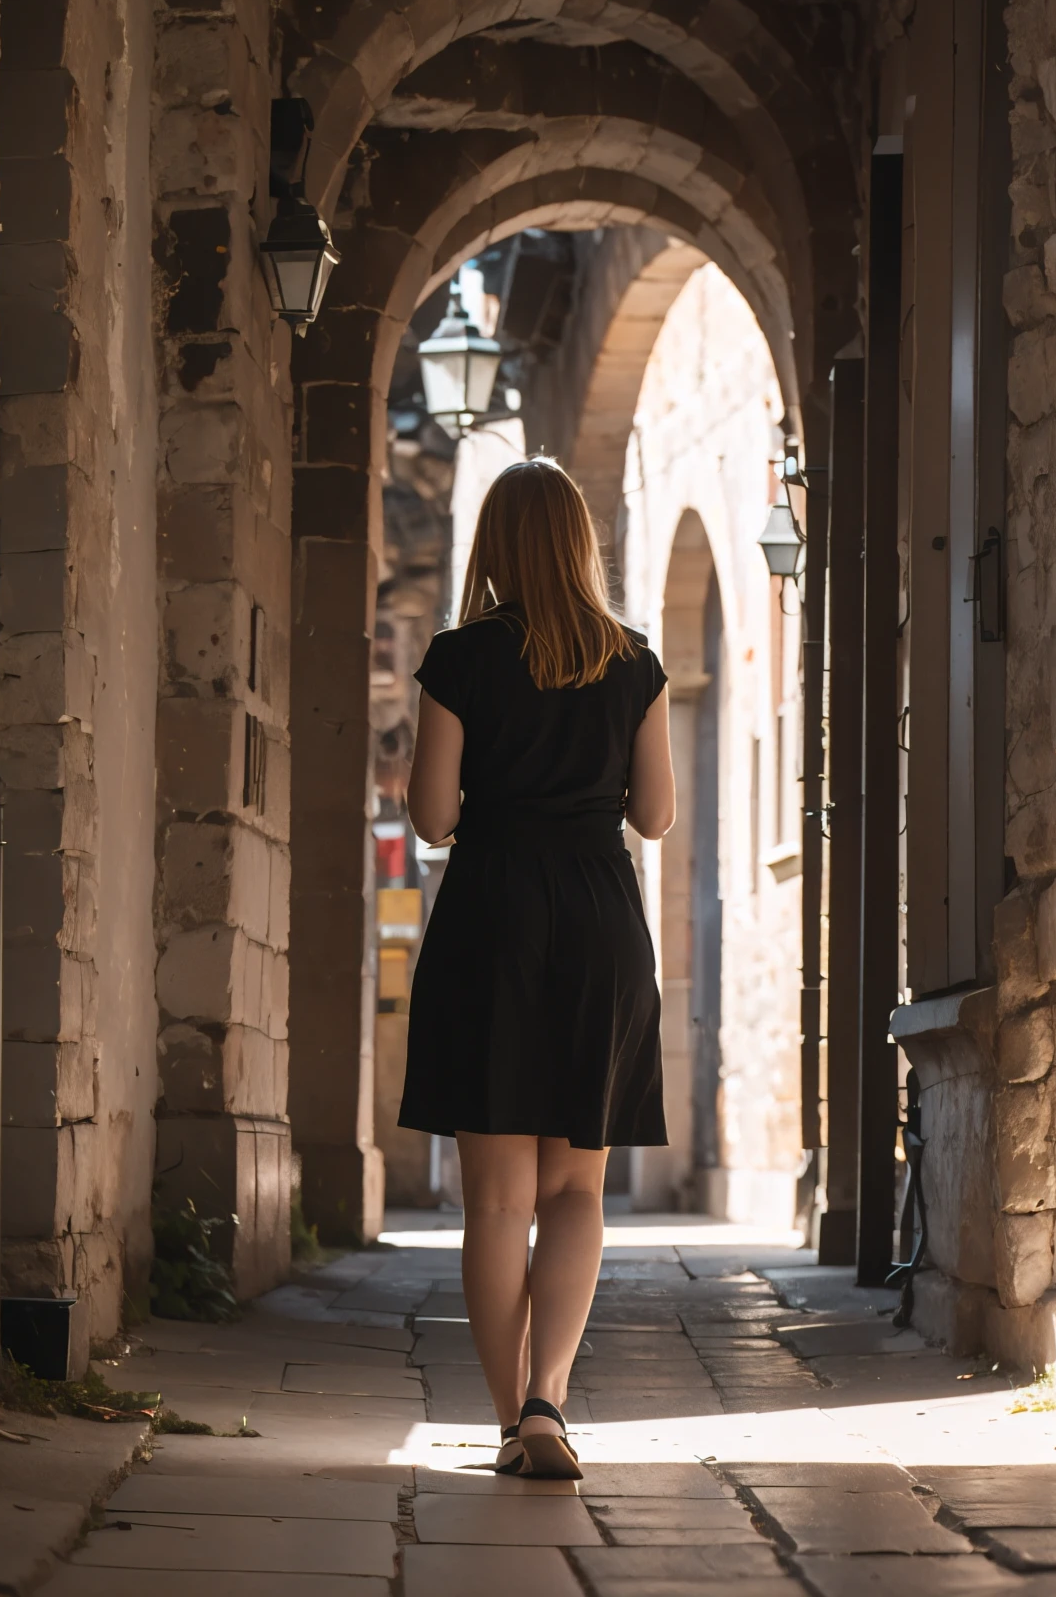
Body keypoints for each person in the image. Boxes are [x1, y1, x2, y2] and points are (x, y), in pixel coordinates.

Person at [400, 457, 676, 1480]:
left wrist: (495, 803)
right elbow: (652, 814)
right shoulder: (632, 661)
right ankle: (549, 1400)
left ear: (495, 545)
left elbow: (429, 815)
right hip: (599, 918)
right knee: (575, 1189)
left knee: (496, 1199)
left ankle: (507, 1421)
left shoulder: (459, 657)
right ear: (578, 543)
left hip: (493, 913)